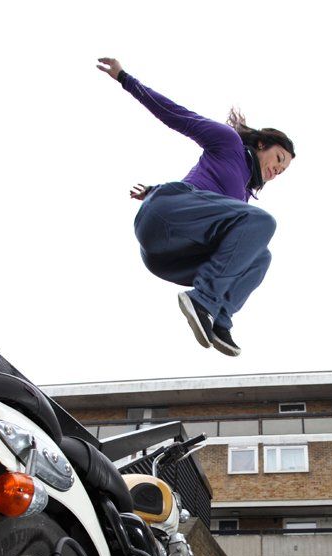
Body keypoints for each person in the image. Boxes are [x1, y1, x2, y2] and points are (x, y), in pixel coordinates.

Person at [97, 57, 295, 357]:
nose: (278, 170)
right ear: (261, 145)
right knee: (262, 222)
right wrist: (125, 78)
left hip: (167, 257)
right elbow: (176, 115)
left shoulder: (241, 200)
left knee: (260, 256)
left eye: (283, 171)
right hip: (165, 215)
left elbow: (207, 201)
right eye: (279, 159)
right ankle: (203, 299)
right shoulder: (228, 144)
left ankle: (220, 317)